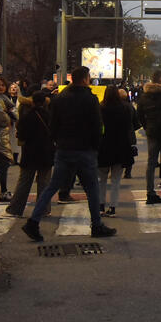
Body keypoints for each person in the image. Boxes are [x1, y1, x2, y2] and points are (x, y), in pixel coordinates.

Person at [22, 67, 116, 241]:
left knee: (52, 187)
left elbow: (53, 124)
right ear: (85, 79)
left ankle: (33, 222)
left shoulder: (60, 99)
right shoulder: (90, 99)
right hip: (85, 149)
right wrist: (95, 147)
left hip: (64, 149)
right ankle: (96, 225)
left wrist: (58, 141)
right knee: (92, 188)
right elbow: (97, 126)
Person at [5, 91, 54, 218]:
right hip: (46, 153)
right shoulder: (49, 116)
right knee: (44, 183)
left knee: (24, 182)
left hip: (30, 152)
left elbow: (21, 135)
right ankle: (43, 209)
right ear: (44, 103)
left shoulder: (27, 117)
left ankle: (16, 208)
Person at [136, 71, 161, 204]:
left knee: (151, 163)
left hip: (152, 131)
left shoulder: (145, 95)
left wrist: (147, 127)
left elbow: (139, 114)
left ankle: (150, 192)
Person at [97, 86, 134, 217]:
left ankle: (100, 206)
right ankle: (112, 207)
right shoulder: (124, 108)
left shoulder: (100, 108)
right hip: (120, 147)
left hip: (104, 146)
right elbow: (130, 126)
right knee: (116, 180)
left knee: (101, 179)